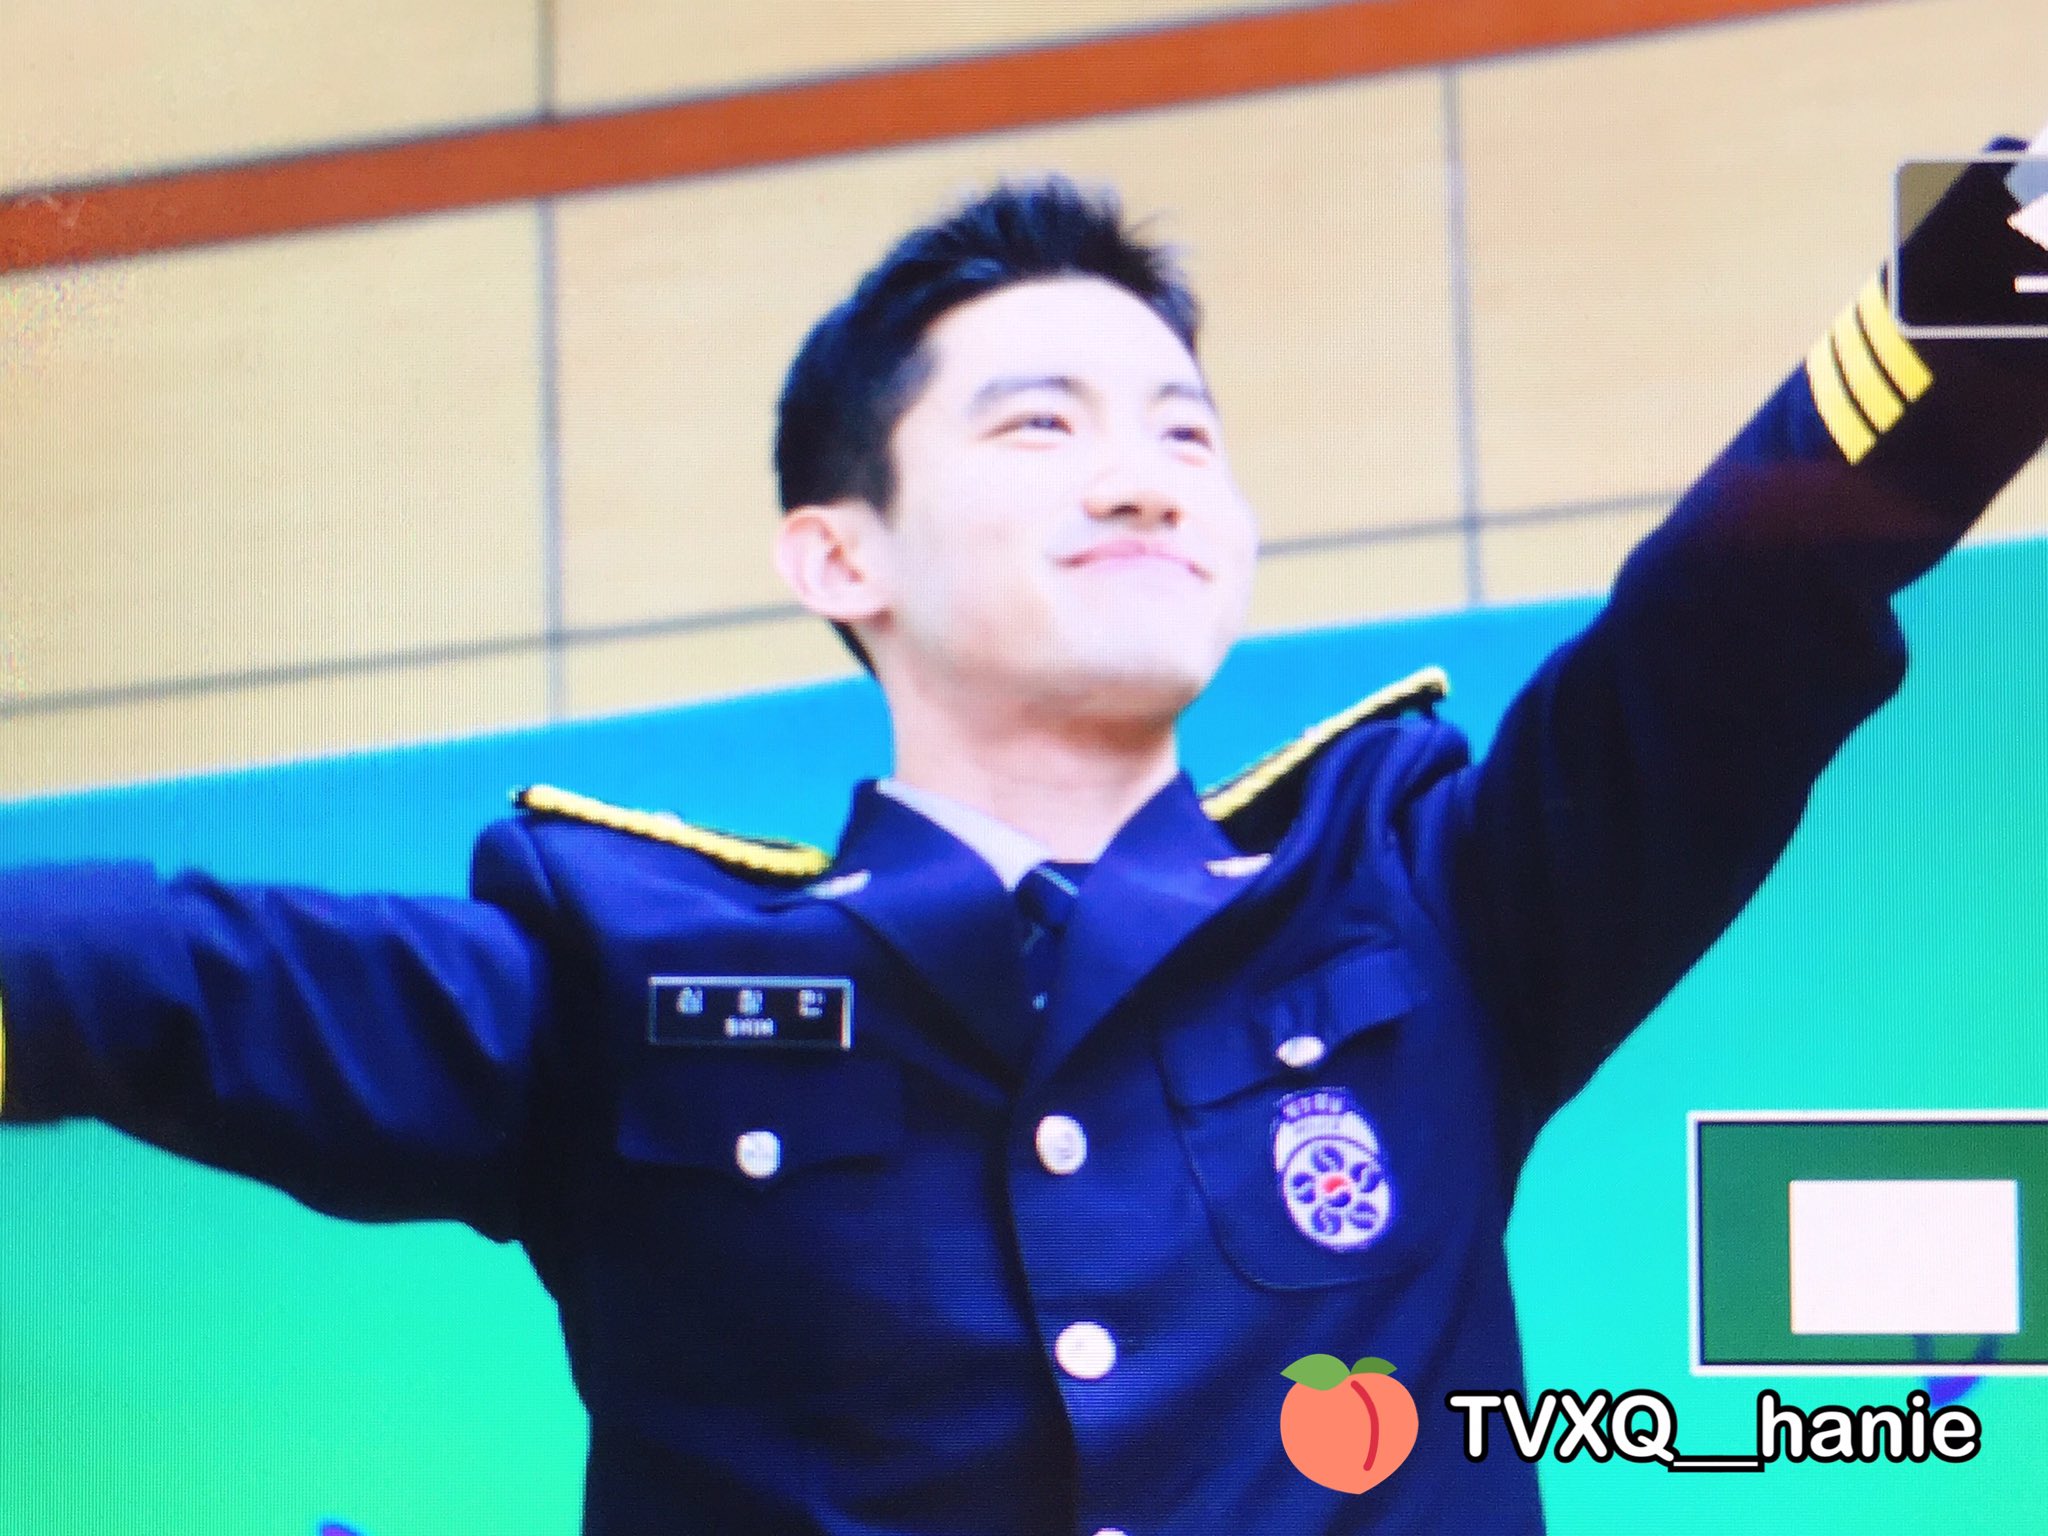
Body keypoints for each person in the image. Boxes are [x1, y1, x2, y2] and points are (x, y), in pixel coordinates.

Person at [3, 136, 2046, 1534]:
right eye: (1041, 425)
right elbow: (167, 983)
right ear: (839, 552)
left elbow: (1735, 613)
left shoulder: (1425, 911)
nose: (1144, 481)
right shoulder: (627, 982)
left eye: (1186, 435)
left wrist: (2010, 258)